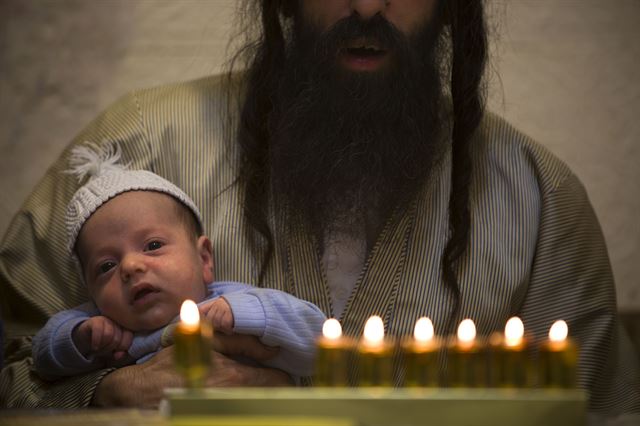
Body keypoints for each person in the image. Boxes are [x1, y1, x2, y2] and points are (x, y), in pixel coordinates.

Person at [0, 0, 638, 419]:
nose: (365, 6)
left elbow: (598, 411)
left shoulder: (538, 197)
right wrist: (101, 392)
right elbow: (13, 369)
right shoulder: (134, 145)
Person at [30, 142, 326, 382]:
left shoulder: (232, 303)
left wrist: (247, 314)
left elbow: (318, 341)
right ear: (92, 292)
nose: (130, 267)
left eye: (153, 245)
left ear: (204, 259)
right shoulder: (107, 331)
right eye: (106, 266)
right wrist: (80, 338)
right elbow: (41, 357)